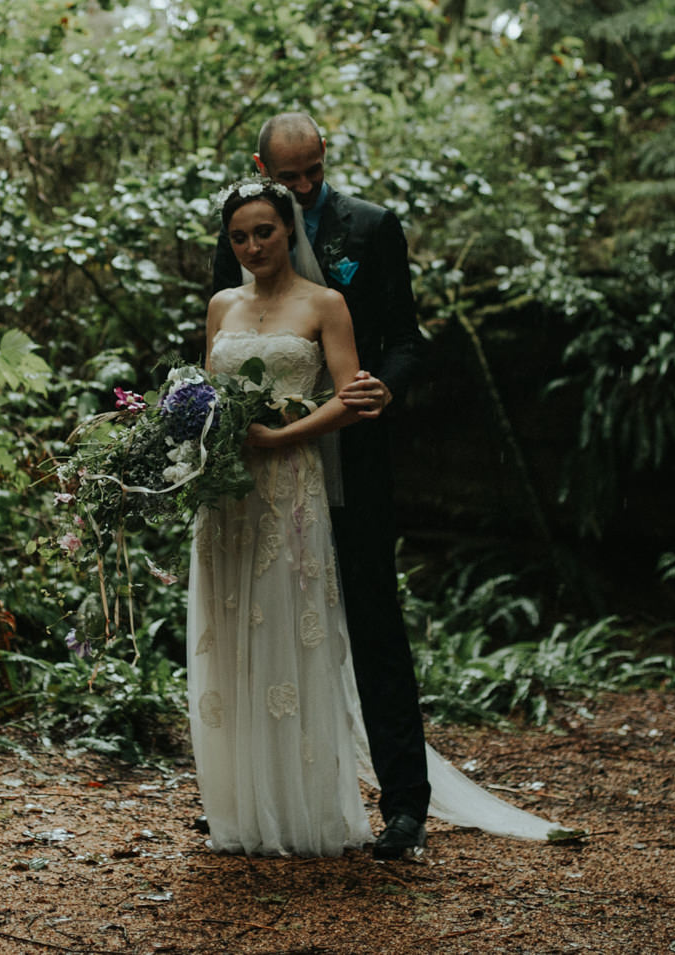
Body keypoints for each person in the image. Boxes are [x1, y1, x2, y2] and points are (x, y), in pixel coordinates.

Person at [210, 113, 556, 860]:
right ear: (261, 167)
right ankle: (265, 795)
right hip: (262, 477)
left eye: (313, 171)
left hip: (352, 459)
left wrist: (381, 391)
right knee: (266, 624)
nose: (304, 186)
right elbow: (230, 338)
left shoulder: (372, 227)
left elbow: (407, 338)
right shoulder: (246, 227)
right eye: (289, 174)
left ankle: (403, 805)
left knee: (372, 622)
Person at [189, 179, 372, 856]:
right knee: (234, 631)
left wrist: (280, 437)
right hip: (226, 492)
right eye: (240, 236)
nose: (253, 245)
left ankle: (302, 807)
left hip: (290, 485)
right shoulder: (220, 305)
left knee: (290, 631)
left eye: (264, 231)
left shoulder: (325, 303)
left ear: (289, 230)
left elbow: (350, 397)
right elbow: (205, 392)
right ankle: (242, 807)